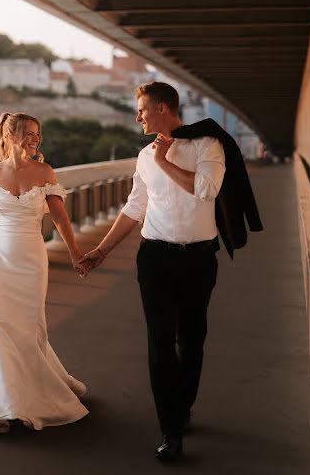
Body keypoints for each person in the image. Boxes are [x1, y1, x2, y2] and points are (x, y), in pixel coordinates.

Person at [80, 82, 226, 462]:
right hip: (155, 259)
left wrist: (166, 162)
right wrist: (100, 250)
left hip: (197, 260)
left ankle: (183, 405)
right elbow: (134, 207)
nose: (137, 116)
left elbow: (207, 190)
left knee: (191, 339)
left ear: (163, 108)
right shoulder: (144, 156)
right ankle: (171, 429)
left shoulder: (206, 145)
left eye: (142, 109)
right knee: (160, 343)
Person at [0, 112, 89, 434]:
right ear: (12, 136)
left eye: (38, 134)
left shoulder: (45, 172)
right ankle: (4, 405)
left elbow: (59, 218)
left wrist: (76, 254)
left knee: (30, 326)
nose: (36, 139)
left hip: (31, 258)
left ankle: (31, 393)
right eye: (29, 133)